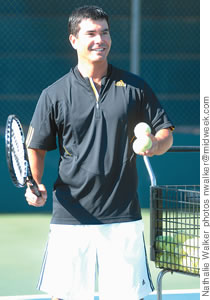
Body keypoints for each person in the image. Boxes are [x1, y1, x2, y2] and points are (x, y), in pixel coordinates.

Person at [25, 5, 174, 300]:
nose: (100, 40)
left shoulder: (135, 88)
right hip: (71, 214)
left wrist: (156, 145)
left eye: (104, 32)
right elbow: (37, 145)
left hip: (122, 215)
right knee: (64, 296)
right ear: (74, 40)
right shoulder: (53, 94)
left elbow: (165, 131)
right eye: (91, 33)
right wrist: (36, 182)